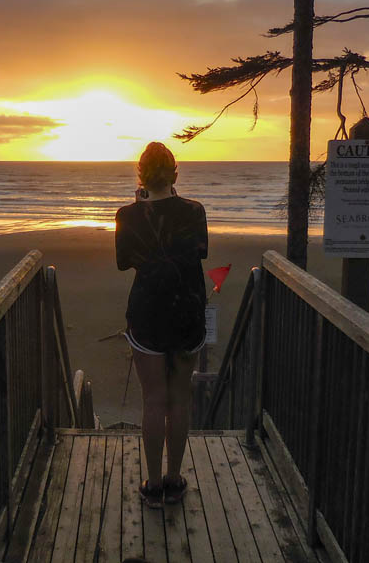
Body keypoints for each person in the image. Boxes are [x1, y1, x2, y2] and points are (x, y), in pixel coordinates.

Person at [115, 141, 208, 508]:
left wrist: (141, 207)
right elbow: (198, 252)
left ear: (141, 175)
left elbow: (125, 261)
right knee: (179, 397)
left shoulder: (128, 214)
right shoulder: (194, 210)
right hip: (187, 310)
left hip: (148, 312)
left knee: (153, 399)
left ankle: (153, 485)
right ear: (174, 173)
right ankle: (174, 479)